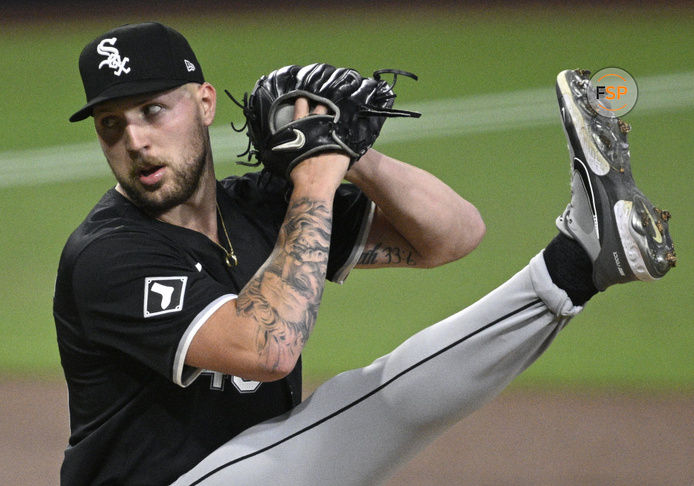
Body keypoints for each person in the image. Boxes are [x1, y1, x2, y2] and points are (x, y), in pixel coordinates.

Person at [54, 22, 675, 486]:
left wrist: (353, 153)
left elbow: (454, 234)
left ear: (205, 103)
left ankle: (577, 265)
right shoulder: (106, 256)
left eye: (152, 109)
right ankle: (577, 259)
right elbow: (267, 350)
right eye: (110, 124)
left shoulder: (260, 208)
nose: (135, 140)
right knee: (369, 401)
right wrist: (316, 178)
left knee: (361, 408)